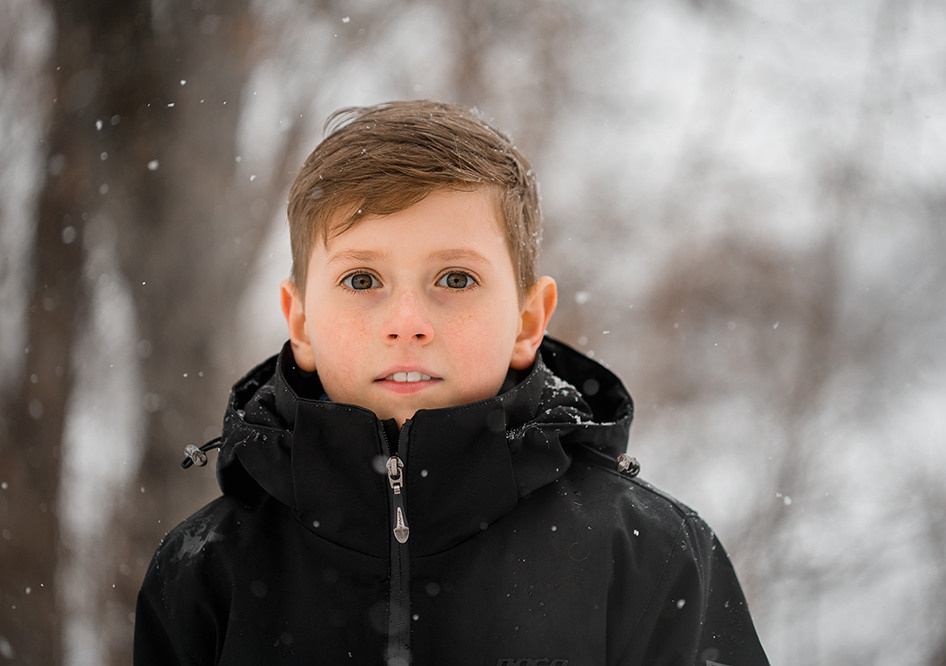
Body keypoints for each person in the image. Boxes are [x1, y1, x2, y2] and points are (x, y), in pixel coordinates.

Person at [133, 100, 769, 666]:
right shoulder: (207, 566)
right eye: (363, 280)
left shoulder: (648, 555)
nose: (407, 324)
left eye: (455, 279)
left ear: (527, 321)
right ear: (300, 320)